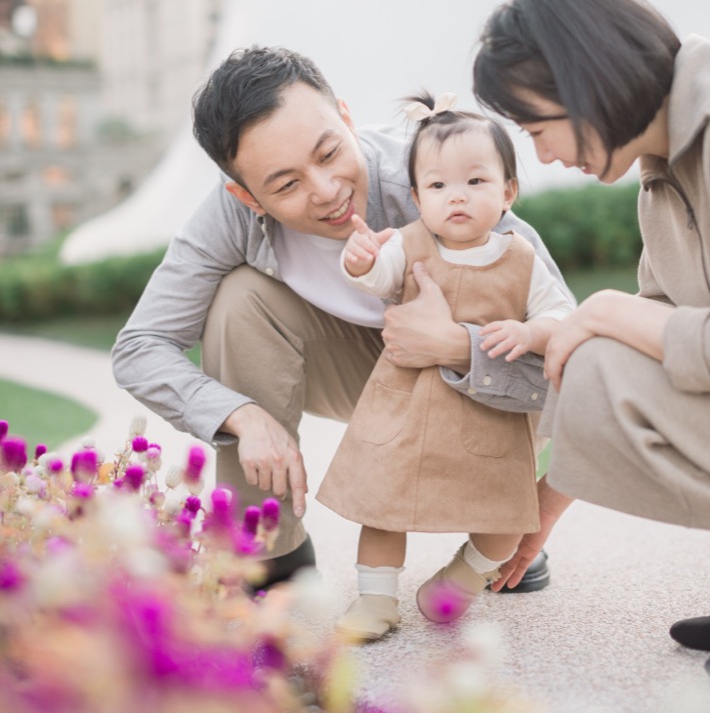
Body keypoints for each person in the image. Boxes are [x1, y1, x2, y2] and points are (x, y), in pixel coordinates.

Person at [112, 47, 572, 590]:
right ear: (246, 194)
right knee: (239, 300)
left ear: (347, 118)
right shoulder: (229, 213)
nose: (326, 190)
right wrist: (239, 414)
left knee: (515, 378)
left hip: (487, 384)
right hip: (366, 376)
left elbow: (577, 371)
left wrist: (455, 347)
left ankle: (494, 530)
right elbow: (140, 346)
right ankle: (267, 546)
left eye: (330, 152)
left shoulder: (442, 182)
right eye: (286, 185)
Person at [468, 0, 710, 688]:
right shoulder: (663, 170)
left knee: (600, 338)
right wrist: (544, 513)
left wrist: (608, 310)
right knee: (586, 352)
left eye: (537, 127)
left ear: (585, 78)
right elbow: (639, 357)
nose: (544, 154)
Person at [317, 92, 573, 642]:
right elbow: (377, 275)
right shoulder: (409, 244)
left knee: (507, 515)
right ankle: (376, 598)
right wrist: (359, 260)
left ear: (508, 192)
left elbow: (561, 316)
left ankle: (459, 580)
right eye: (437, 186)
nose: (455, 197)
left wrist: (530, 330)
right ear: (416, 197)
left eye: (475, 182)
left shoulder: (521, 258)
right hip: (408, 407)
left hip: (491, 415)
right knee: (383, 507)